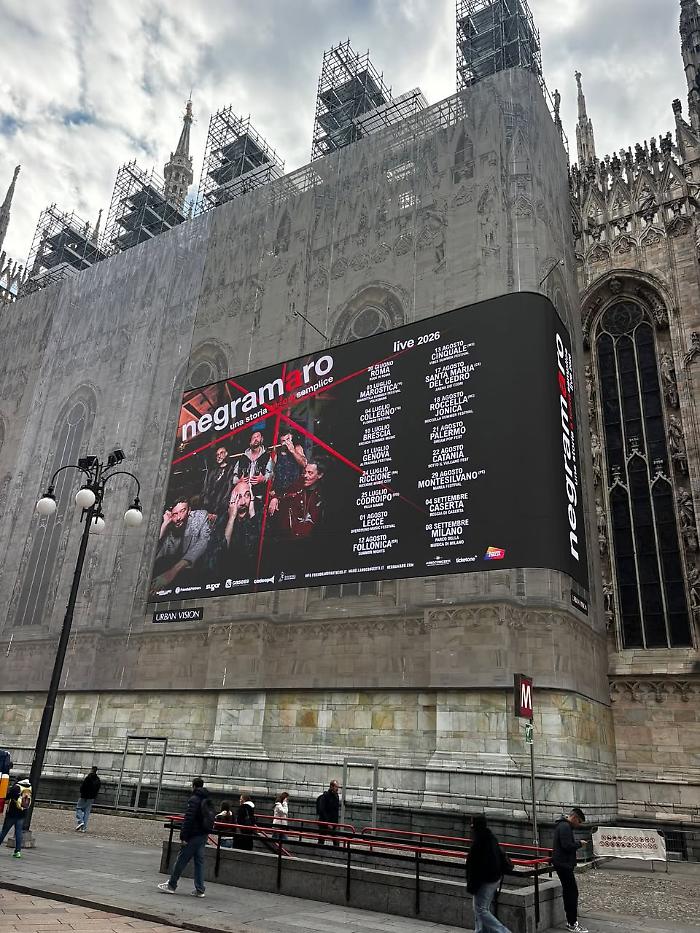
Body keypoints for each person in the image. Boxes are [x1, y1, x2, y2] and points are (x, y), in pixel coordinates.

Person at [158, 777, 215, 897]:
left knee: (181, 860)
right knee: (199, 862)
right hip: (203, 834)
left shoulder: (194, 799)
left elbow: (188, 819)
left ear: (193, 786)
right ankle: (200, 889)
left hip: (193, 835)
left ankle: (171, 885)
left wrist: (184, 836)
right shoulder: (207, 798)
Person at [151, 499, 211, 592]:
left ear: (189, 510)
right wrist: (164, 525)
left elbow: (203, 542)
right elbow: (152, 557)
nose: (179, 517)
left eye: (182, 511)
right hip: (168, 578)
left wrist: (173, 571)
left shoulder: (200, 517)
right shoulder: (168, 526)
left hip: (193, 574)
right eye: (175, 514)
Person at [466, 815, 512, 933]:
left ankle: (503, 931)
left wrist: (473, 884)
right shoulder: (490, 838)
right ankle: (481, 931)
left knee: (480, 909)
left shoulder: (479, 841)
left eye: (472, 824)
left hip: (485, 880)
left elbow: (477, 865)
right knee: (482, 908)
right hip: (493, 878)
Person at [552, 807, 589, 933]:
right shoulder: (565, 827)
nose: (578, 825)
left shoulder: (564, 826)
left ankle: (572, 921)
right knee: (571, 893)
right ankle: (572, 923)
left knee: (570, 892)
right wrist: (579, 844)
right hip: (563, 864)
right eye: (579, 822)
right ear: (574, 818)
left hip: (564, 863)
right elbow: (566, 846)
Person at [224, 481, 262, 577]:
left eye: (247, 495)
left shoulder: (258, 515)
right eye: (239, 497)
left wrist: (252, 513)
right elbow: (222, 550)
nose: (243, 502)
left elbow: (257, 550)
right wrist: (232, 517)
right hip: (229, 574)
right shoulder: (225, 517)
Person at [232, 431, 274, 506]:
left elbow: (271, 474)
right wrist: (239, 480)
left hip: (259, 498)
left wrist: (263, 478)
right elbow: (233, 478)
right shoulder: (242, 458)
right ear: (250, 442)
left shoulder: (267, 457)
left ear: (261, 439)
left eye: (258, 436)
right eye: (253, 437)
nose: (256, 439)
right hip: (243, 499)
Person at [201, 446, 235, 522]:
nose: (219, 456)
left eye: (221, 453)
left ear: (226, 454)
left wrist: (218, 512)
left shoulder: (230, 470)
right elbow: (205, 490)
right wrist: (207, 510)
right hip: (207, 510)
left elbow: (228, 492)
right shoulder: (212, 471)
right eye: (217, 454)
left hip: (221, 511)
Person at [0, 777, 32, 858]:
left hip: (12, 813)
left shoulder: (16, 787)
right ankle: (17, 851)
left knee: (4, 831)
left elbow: (8, 796)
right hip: (22, 813)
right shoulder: (29, 787)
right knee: (18, 832)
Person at [75, 766, 101, 833]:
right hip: (91, 798)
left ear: (91, 770)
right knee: (87, 812)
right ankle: (84, 828)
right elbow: (97, 789)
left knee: (78, 808)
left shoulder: (88, 778)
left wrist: (82, 792)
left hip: (84, 796)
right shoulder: (98, 780)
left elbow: (83, 787)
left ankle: (80, 821)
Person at [316, 780, 340, 846]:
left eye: (338, 787)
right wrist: (327, 823)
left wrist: (335, 823)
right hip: (324, 822)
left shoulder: (336, 796)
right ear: (331, 787)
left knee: (336, 841)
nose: (337, 789)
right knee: (321, 840)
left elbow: (335, 811)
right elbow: (322, 810)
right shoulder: (325, 796)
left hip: (333, 823)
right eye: (336, 787)